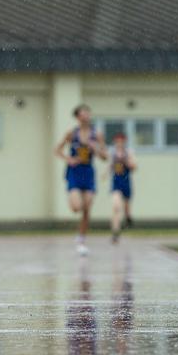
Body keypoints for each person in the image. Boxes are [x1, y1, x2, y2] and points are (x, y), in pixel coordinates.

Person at [55, 104, 108, 255]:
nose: (87, 116)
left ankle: (81, 238)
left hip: (88, 172)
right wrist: (68, 159)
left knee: (86, 208)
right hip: (74, 171)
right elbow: (57, 150)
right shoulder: (71, 133)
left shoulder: (97, 134)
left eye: (88, 113)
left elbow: (105, 157)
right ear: (78, 117)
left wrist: (95, 148)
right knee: (76, 207)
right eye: (83, 113)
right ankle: (72, 198)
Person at [108, 133, 136, 243]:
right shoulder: (112, 153)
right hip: (116, 183)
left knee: (126, 208)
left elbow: (134, 167)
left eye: (121, 141)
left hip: (126, 182)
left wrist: (125, 160)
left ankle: (128, 218)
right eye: (117, 141)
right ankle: (115, 232)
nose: (119, 143)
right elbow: (109, 166)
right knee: (116, 207)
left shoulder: (129, 152)